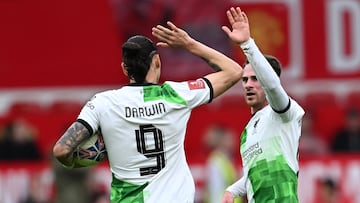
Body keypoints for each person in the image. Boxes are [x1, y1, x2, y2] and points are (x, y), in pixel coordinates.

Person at [53, 20, 243, 203]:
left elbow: (61, 150)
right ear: (157, 61)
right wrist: (189, 43)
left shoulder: (103, 102)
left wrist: (78, 162)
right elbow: (234, 71)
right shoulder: (176, 96)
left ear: (124, 69)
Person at [220, 7, 305, 203]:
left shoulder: (284, 114)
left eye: (256, 79)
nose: (248, 85)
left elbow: (274, 87)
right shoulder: (247, 132)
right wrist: (232, 190)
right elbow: (255, 170)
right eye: (245, 80)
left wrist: (248, 45)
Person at [203, 124, 242, 203]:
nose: (235, 141)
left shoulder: (226, 159)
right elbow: (215, 189)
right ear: (221, 141)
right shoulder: (216, 161)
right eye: (230, 138)